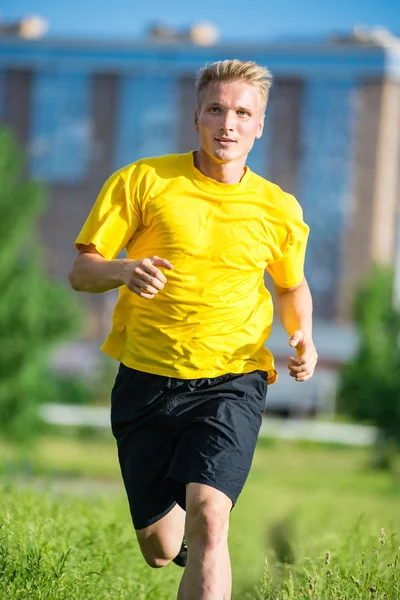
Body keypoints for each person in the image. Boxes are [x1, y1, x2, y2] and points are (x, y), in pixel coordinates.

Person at [68, 59, 318, 600]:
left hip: (234, 378)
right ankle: (190, 551)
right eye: (216, 110)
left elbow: (291, 287)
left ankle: (208, 547)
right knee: (161, 549)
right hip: (147, 378)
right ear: (196, 117)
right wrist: (124, 269)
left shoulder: (279, 208)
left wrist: (304, 336)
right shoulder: (143, 180)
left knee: (211, 517)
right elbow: (81, 272)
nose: (228, 123)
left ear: (260, 124)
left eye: (242, 113)